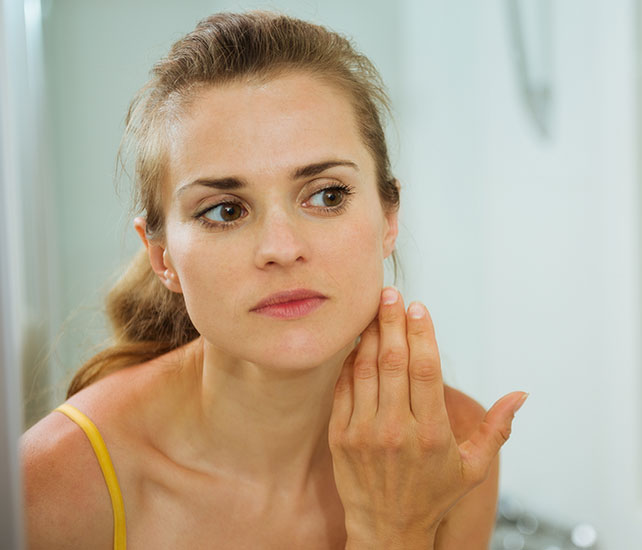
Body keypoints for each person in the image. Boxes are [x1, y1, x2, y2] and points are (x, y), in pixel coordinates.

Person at [21, 11, 527, 549]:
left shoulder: (443, 447)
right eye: (224, 211)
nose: (282, 249)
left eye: (327, 195)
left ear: (389, 218)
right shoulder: (53, 482)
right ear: (162, 255)